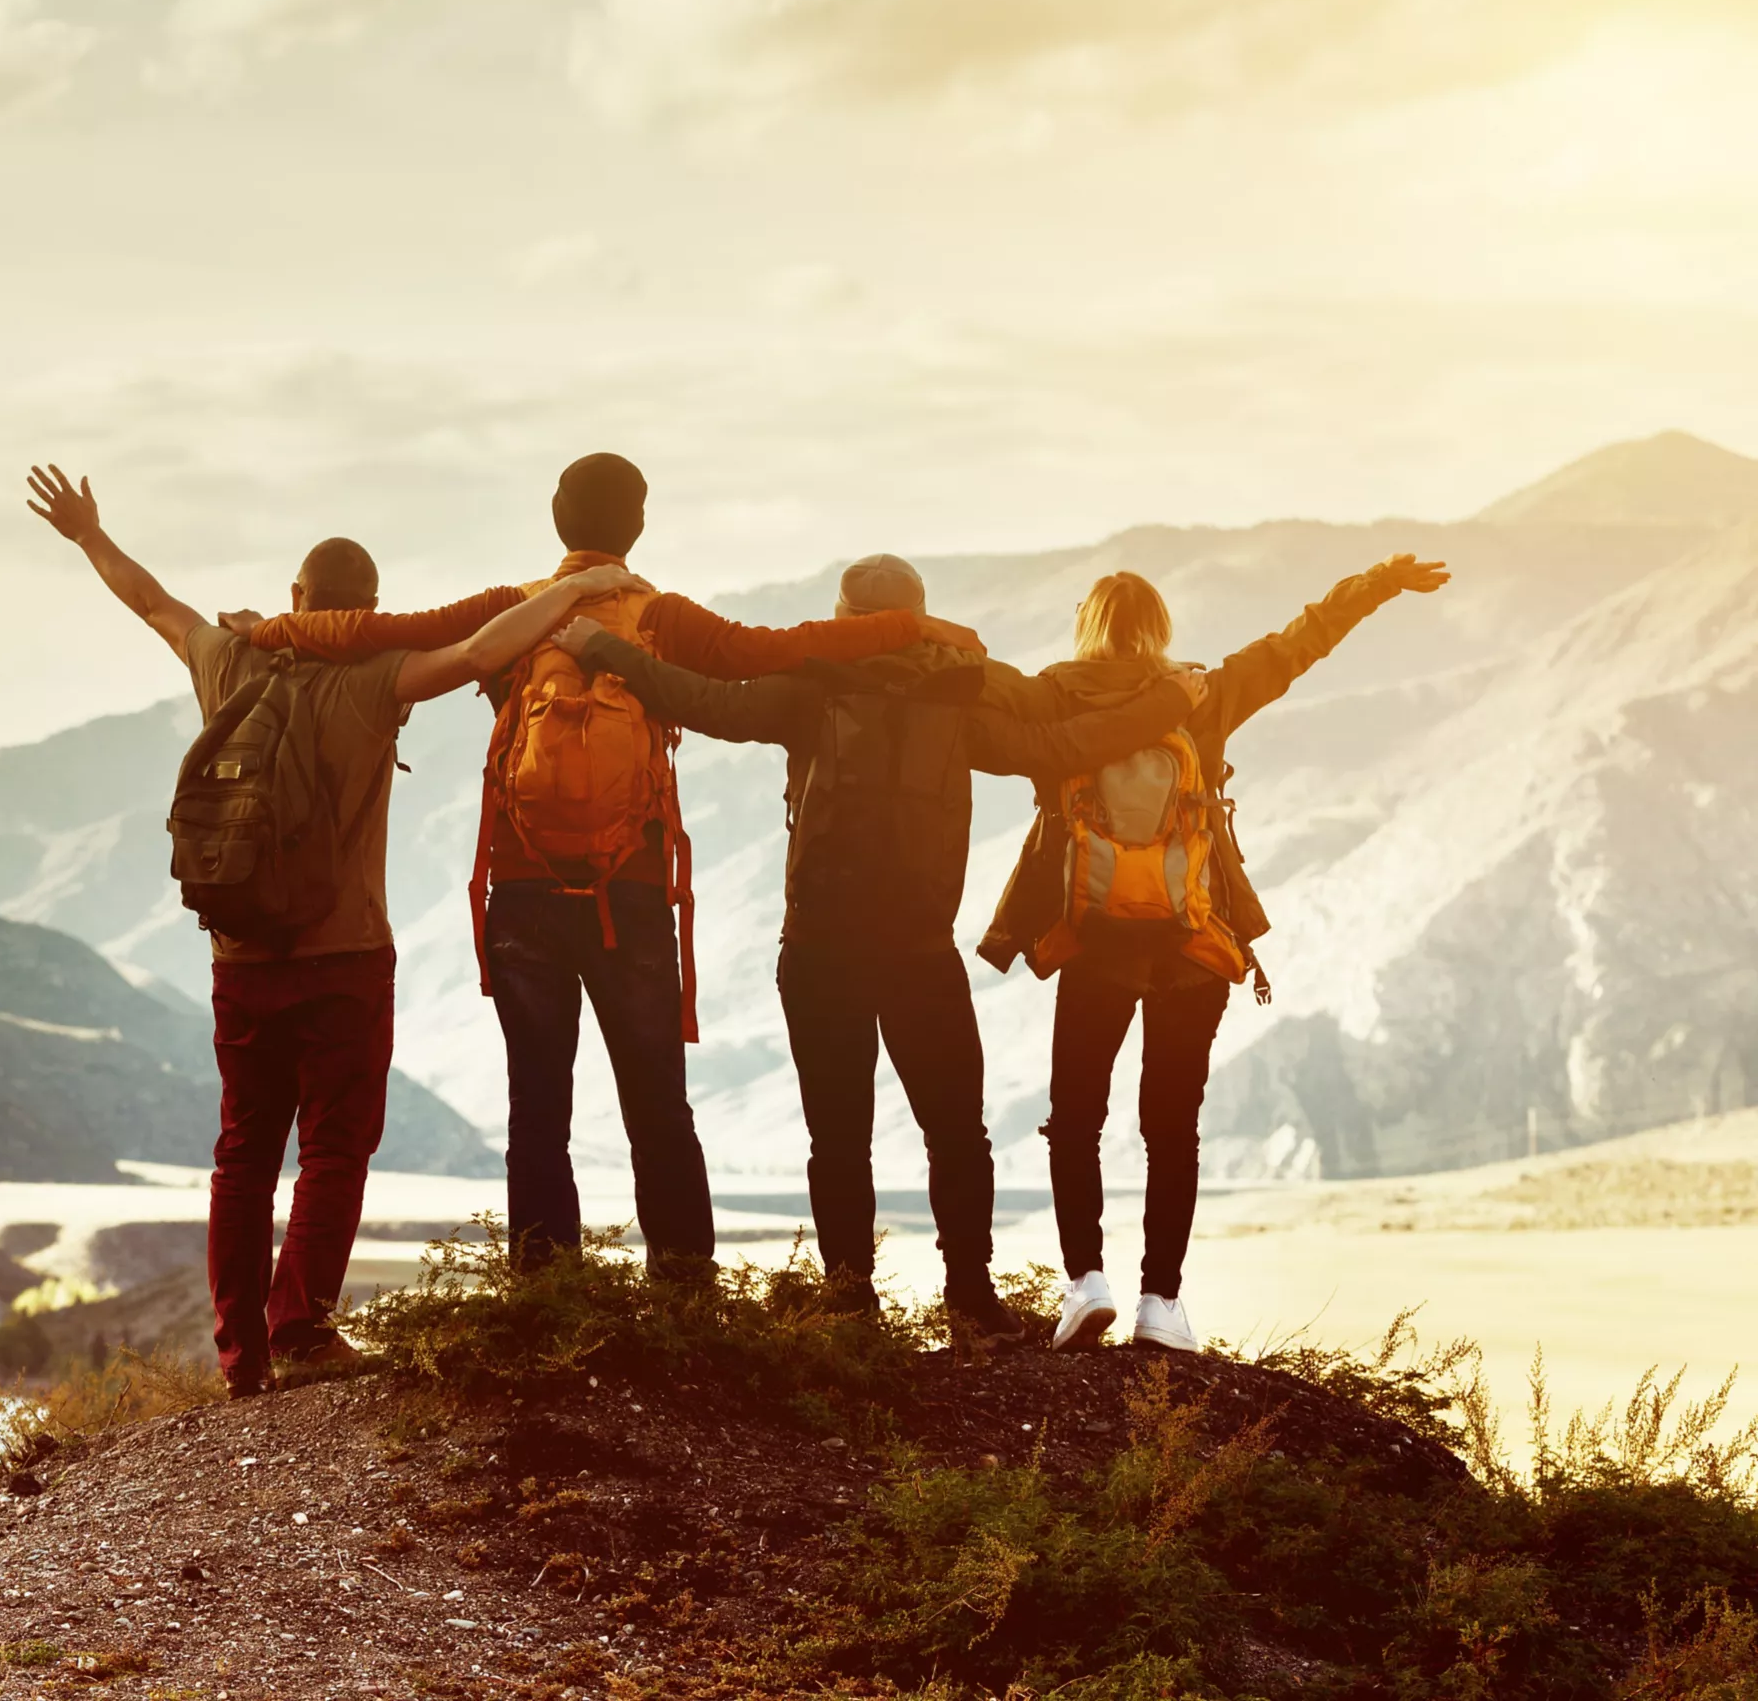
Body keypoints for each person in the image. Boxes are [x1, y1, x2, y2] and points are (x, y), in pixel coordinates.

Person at [239, 456, 987, 1281]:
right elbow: (788, 647)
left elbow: (378, 632)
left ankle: (545, 1293)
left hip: (523, 885)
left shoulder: (510, 610)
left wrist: (272, 630)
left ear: (557, 519)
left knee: (537, 1109)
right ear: (638, 526)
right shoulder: (662, 616)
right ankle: (684, 1289)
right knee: (658, 1102)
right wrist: (914, 630)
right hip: (631, 887)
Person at [24, 460, 646, 1393]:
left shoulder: (228, 660)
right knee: (333, 1149)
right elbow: (481, 653)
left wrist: (88, 534)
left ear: (296, 598)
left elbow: (151, 602)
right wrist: (576, 591)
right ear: (371, 609)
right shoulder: (378, 678)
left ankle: (240, 1356)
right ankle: (303, 1329)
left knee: (242, 1156)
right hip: (344, 955)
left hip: (240, 956)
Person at [557, 553, 1205, 1334]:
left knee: (837, 1139)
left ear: (843, 618)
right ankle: (971, 1301)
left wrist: (601, 647)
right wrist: (1169, 700)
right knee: (957, 1135)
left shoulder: (809, 687)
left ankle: (849, 1301)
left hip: (820, 948)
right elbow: (1064, 745)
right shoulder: (956, 694)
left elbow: (700, 700)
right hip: (920, 952)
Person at [979, 552, 1452, 1353]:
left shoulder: (1054, 695)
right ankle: (1160, 1303)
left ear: (1087, 628)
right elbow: (1298, 644)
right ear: (1160, 629)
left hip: (1093, 943)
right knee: (1172, 1129)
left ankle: (1086, 1282)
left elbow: (975, 690)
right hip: (1193, 946)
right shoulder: (1203, 693)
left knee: (1077, 1118)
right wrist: (1374, 584)